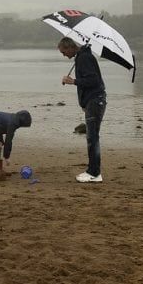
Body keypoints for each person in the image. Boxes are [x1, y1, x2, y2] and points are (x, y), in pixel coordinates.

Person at [58, 36, 106, 182]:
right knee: (92, 137)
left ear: (70, 47)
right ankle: (93, 172)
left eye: (63, 52)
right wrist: (85, 104)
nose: (64, 55)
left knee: (92, 138)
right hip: (93, 102)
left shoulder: (84, 58)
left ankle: (94, 173)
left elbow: (94, 80)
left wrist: (73, 81)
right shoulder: (82, 57)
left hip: (96, 101)